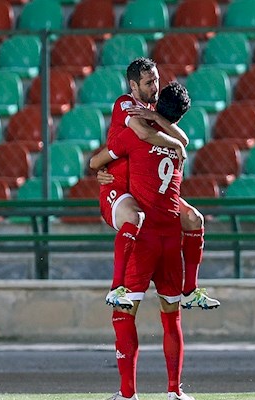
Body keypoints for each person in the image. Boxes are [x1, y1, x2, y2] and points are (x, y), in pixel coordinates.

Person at [90, 82, 195, 400]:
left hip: (143, 238)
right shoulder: (178, 148)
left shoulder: (135, 134)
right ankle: (175, 391)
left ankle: (127, 394)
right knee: (171, 316)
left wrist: (102, 169)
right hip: (171, 238)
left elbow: (100, 160)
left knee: (124, 314)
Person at [99, 57, 219, 311]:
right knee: (134, 217)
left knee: (194, 219)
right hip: (121, 186)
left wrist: (159, 120)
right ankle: (116, 287)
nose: (155, 87)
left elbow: (183, 138)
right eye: (149, 82)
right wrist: (173, 143)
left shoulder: (154, 114)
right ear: (134, 85)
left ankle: (190, 290)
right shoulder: (125, 104)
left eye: (157, 80)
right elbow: (142, 134)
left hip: (150, 188)